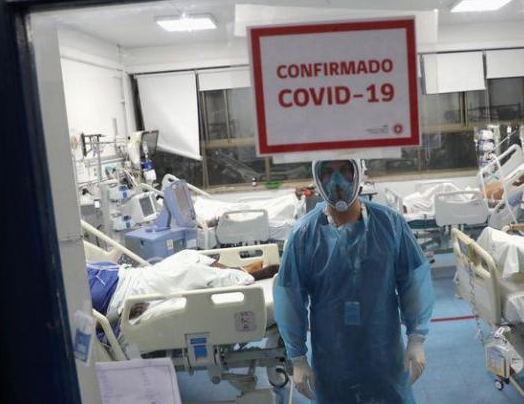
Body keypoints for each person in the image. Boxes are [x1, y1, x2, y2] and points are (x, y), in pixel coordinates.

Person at [273, 159, 435, 403]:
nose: (336, 181)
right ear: (317, 178)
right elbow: (290, 298)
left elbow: (413, 282)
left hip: (383, 352)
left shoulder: (390, 224)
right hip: (332, 356)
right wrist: (297, 358)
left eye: (346, 171)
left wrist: (416, 338)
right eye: (327, 172)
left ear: (359, 174)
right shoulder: (304, 234)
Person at [88, 249, 279, 325]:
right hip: (127, 295)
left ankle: (239, 271)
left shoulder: (79, 268)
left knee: (187, 255)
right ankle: (248, 276)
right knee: (189, 272)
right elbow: (84, 327)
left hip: (134, 275)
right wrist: (121, 316)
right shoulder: (68, 295)